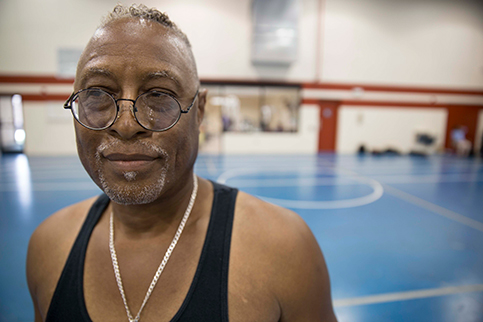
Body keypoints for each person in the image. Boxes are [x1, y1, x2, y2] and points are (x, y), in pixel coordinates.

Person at [26, 4, 337, 322]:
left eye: (159, 96)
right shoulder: (48, 247)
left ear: (199, 110)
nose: (126, 124)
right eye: (98, 94)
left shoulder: (284, 250)